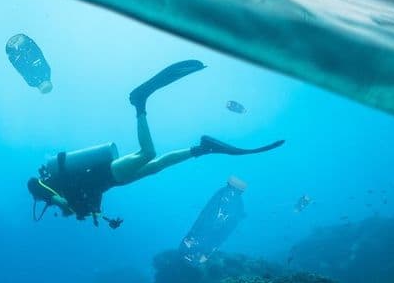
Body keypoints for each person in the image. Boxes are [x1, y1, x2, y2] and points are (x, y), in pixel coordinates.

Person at [27, 60, 284, 227]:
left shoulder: (44, 189)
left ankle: (139, 102)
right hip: (112, 182)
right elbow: (88, 198)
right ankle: (202, 148)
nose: (63, 211)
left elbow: (33, 184)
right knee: (156, 166)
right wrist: (101, 216)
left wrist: (57, 200)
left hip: (104, 173)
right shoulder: (64, 197)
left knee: (147, 153)